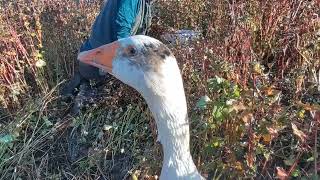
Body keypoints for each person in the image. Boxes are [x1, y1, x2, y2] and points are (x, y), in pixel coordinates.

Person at [61, 0, 152, 97]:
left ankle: (78, 88)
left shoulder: (144, 3)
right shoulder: (130, 1)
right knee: (89, 101)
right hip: (97, 61)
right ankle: (79, 94)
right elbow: (122, 35)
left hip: (94, 56)